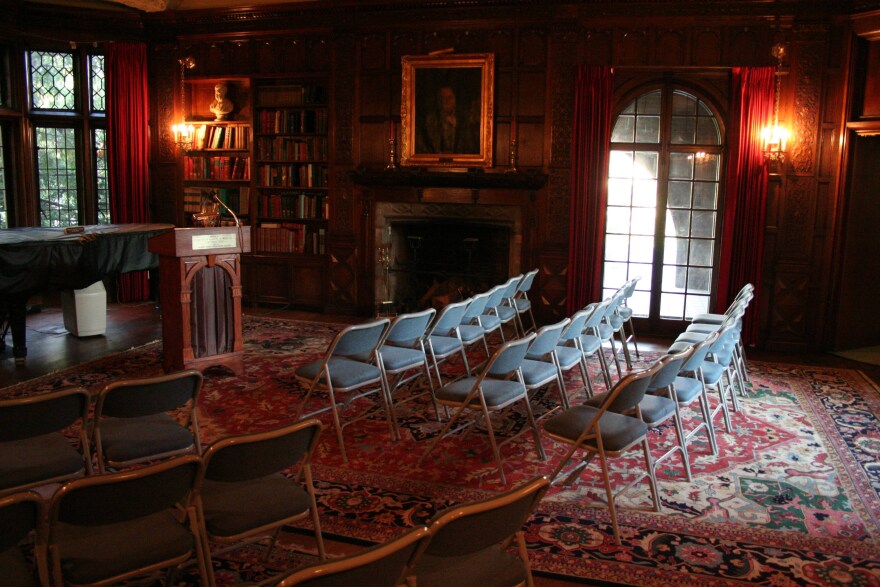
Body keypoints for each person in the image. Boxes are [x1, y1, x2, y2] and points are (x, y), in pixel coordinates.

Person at [416, 85, 479, 154]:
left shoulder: (463, 120)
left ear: (454, 100)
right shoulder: (430, 121)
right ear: (438, 101)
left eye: (450, 97)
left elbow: (468, 146)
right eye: (443, 98)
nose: (446, 101)